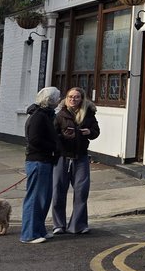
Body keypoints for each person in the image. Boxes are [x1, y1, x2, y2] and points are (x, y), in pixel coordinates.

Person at [50, 86, 99, 236]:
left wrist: (89, 132)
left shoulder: (88, 114)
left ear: (82, 99)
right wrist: (64, 136)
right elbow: (52, 135)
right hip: (62, 157)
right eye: (70, 96)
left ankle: (78, 225)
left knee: (81, 192)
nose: (73, 99)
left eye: (76, 97)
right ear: (66, 98)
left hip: (81, 157)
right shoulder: (60, 115)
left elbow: (96, 131)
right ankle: (58, 225)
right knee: (58, 191)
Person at [21, 86, 60, 244]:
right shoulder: (38, 116)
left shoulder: (45, 115)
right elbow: (35, 140)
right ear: (50, 100)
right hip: (38, 161)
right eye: (57, 98)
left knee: (43, 198)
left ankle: (39, 230)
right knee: (35, 198)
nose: (59, 100)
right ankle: (29, 234)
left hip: (44, 160)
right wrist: (54, 147)